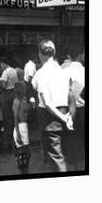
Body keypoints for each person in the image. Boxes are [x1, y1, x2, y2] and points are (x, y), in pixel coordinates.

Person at [32, 40, 75, 172]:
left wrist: (63, 118)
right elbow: (71, 97)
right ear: (54, 53)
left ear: (40, 54)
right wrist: (69, 117)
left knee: (56, 160)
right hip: (66, 115)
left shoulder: (41, 74)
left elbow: (47, 103)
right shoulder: (64, 72)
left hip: (50, 120)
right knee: (66, 156)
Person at [62, 49, 85, 170]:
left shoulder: (64, 71)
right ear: (80, 55)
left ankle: (73, 160)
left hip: (70, 108)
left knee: (72, 136)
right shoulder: (85, 70)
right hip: (84, 108)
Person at [0, 57, 18, 149]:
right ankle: (15, 139)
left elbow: (3, 85)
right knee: (13, 116)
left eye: (1, 64)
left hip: (6, 94)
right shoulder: (14, 71)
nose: (0, 66)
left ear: (4, 63)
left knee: (7, 118)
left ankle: (8, 140)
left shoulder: (5, 72)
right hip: (13, 93)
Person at [12, 81, 30, 174]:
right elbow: (15, 118)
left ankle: (23, 169)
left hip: (23, 127)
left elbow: (25, 111)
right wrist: (18, 134)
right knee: (24, 153)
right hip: (20, 128)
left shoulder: (22, 100)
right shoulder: (16, 102)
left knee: (25, 153)